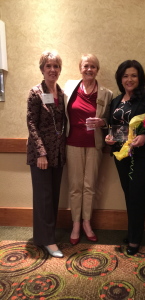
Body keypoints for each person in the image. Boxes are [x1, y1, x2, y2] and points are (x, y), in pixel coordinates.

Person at [105, 60, 145, 255]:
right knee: (129, 195)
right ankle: (133, 233)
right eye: (125, 76)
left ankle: (135, 240)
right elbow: (116, 127)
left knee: (137, 194)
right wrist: (110, 137)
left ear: (140, 78)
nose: (129, 79)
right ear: (120, 79)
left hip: (144, 156)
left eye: (133, 75)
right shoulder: (116, 100)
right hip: (122, 156)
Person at [64, 54, 113, 245]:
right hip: (72, 143)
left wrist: (102, 122)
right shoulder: (69, 88)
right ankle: (75, 224)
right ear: (80, 68)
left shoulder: (106, 93)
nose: (89, 69)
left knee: (89, 187)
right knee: (75, 186)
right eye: (86, 66)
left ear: (97, 70)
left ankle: (87, 223)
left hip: (94, 145)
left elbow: (111, 119)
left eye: (93, 66)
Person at [27, 50, 66, 258]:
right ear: (42, 69)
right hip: (41, 155)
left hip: (58, 154)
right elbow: (31, 124)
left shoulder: (61, 93)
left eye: (56, 66)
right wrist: (41, 153)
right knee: (44, 198)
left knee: (53, 197)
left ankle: (45, 235)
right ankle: (48, 241)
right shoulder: (35, 93)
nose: (53, 70)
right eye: (49, 66)